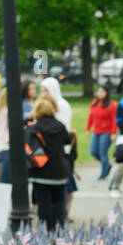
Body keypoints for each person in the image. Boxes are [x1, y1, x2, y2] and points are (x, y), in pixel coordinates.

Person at [26, 96, 74, 231]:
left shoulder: (35, 128)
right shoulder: (60, 126)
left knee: (43, 201)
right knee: (59, 200)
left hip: (40, 169)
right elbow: (66, 140)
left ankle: (45, 227)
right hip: (59, 170)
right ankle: (58, 226)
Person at [85, 85, 116, 181]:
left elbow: (114, 120)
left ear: (106, 93)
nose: (100, 93)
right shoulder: (94, 102)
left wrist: (113, 133)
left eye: (102, 92)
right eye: (99, 91)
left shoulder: (111, 105)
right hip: (96, 131)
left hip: (106, 132)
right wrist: (88, 128)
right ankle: (107, 165)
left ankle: (103, 174)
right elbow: (91, 116)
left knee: (103, 153)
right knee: (93, 151)